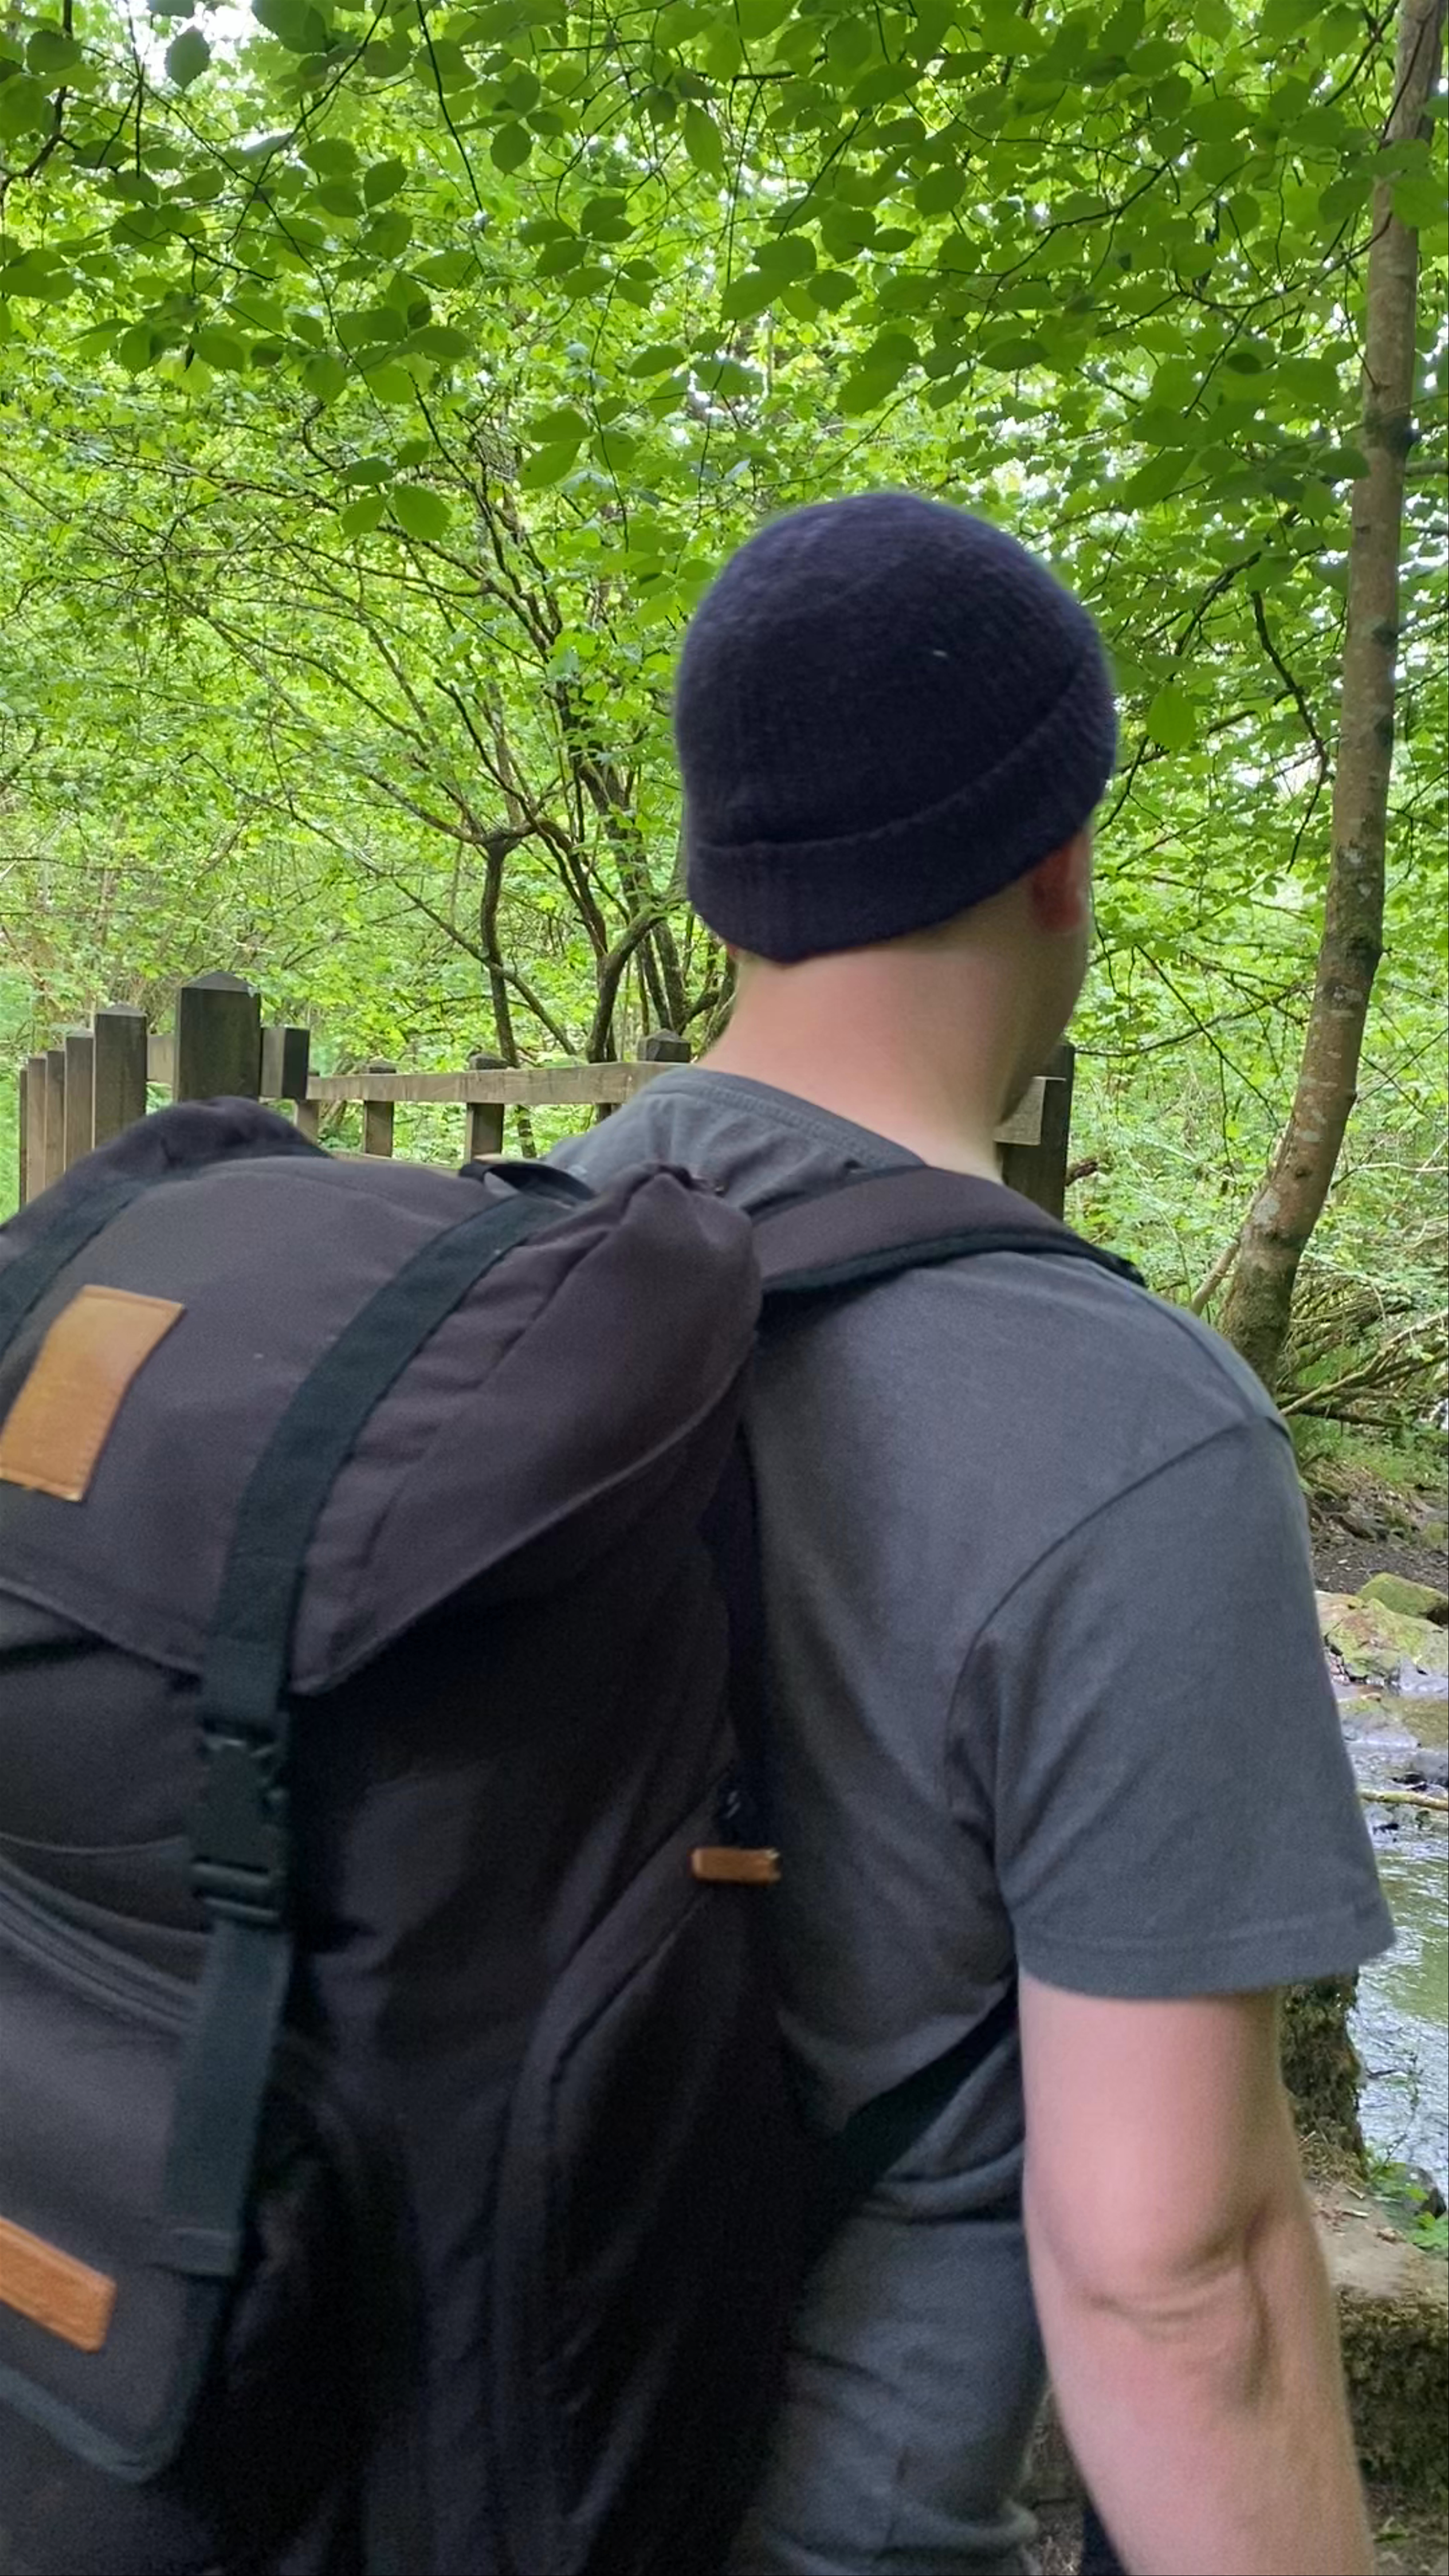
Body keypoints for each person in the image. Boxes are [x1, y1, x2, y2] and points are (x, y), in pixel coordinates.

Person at [552, 491, 1394, 2576]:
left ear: (722, 883)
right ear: (1061, 860)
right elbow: (1174, 2276)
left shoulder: (489, 1282)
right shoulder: (1125, 1427)